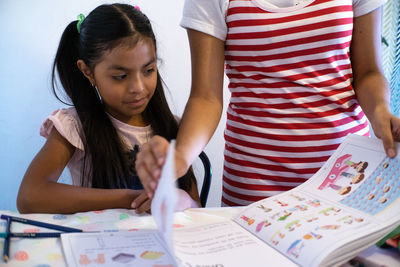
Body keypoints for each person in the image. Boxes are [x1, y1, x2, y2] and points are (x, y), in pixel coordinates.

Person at [134, 0, 400, 207]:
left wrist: (380, 113)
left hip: (347, 181)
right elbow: (206, 97)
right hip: (254, 188)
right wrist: (180, 157)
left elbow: (368, 73)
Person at [17, 3, 200, 214]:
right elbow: (29, 197)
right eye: (120, 76)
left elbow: (197, 207)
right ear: (87, 72)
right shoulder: (74, 126)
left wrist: (184, 199)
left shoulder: (174, 126)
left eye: (149, 70)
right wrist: (129, 198)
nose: (138, 88)